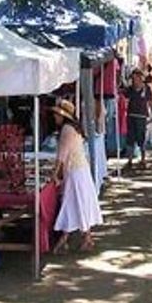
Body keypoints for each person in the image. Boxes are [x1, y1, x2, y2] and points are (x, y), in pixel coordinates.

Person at [51, 100, 103, 253]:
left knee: (75, 203)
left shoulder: (67, 130)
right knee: (76, 203)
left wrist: (54, 175)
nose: (54, 117)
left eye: (56, 114)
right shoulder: (74, 128)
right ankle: (79, 237)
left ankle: (74, 237)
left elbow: (61, 156)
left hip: (75, 172)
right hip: (80, 170)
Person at [125, 69, 152, 171]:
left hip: (142, 116)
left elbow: (150, 102)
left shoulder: (147, 89)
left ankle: (143, 159)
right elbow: (124, 97)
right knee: (130, 138)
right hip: (131, 116)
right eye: (133, 79)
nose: (135, 81)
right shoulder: (129, 89)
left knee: (141, 138)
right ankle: (129, 160)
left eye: (137, 78)